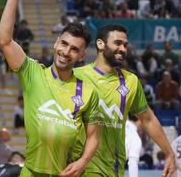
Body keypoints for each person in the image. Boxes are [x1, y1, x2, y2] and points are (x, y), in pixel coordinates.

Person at [0, 0, 99, 176]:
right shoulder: (32, 73)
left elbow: (94, 137)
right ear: (56, 43)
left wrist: (83, 162)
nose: (66, 52)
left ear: (81, 56)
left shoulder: (88, 92)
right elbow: (4, 40)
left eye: (74, 49)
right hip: (31, 172)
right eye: (64, 44)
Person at [72, 24, 175, 177]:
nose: (123, 49)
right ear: (100, 44)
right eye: (118, 43)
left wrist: (169, 153)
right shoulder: (76, 75)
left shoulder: (131, 81)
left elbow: (148, 119)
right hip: (78, 166)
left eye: (125, 45)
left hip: (112, 168)